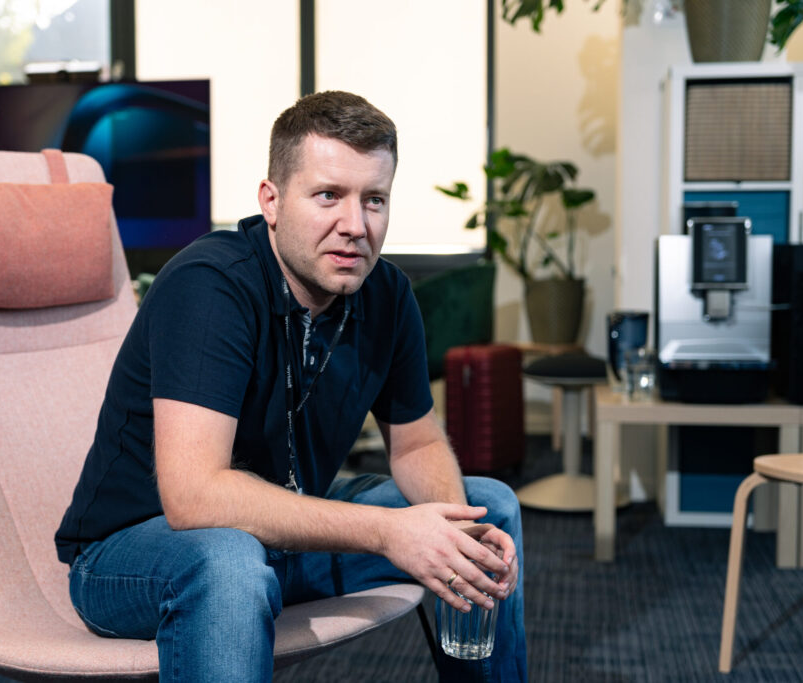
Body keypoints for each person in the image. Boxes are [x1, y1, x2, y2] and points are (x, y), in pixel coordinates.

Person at [55, 90, 527, 682]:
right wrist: (390, 533)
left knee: (488, 510)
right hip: (137, 555)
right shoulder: (210, 286)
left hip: (280, 538)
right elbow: (195, 496)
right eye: (328, 195)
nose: (355, 226)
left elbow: (418, 444)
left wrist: (453, 538)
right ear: (271, 201)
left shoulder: (387, 294)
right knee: (228, 559)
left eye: (374, 200)